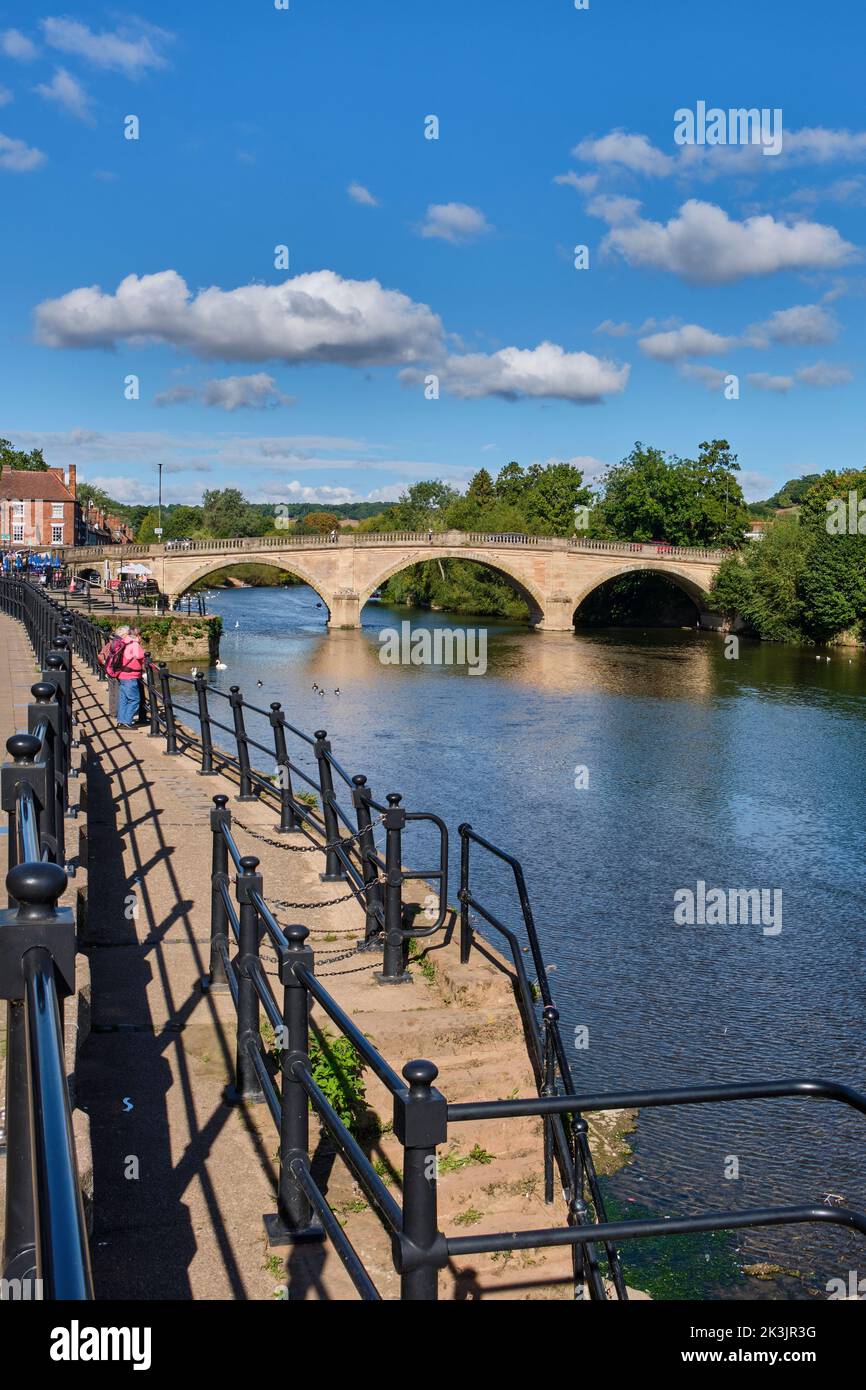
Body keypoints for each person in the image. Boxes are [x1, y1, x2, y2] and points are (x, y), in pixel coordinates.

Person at [115, 626, 145, 728]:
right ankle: (126, 721)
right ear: (137, 635)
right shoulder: (134, 644)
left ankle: (121, 720)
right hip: (130, 676)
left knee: (124, 699)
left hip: (122, 675)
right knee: (134, 699)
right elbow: (141, 657)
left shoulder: (123, 642)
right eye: (140, 634)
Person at [98, 625, 129, 719]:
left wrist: (104, 663)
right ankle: (117, 712)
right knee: (117, 691)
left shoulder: (110, 643)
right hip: (116, 671)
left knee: (112, 692)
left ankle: (113, 712)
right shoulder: (120, 644)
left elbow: (102, 654)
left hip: (109, 669)